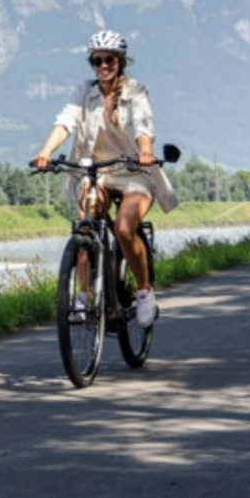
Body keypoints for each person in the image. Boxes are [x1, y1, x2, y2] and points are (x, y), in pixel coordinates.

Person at [29, 29, 176, 328]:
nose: (103, 65)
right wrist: (45, 151)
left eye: (109, 59)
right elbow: (65, 121)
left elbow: (142, 124)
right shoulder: (84, 92)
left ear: (120, 61)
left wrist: (145, 150)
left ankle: (145, 291)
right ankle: (85, 296)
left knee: (124, 228)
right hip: (97, 172)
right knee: (86, 225)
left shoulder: (136, 91)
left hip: (134, 173)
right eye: (96, 61)